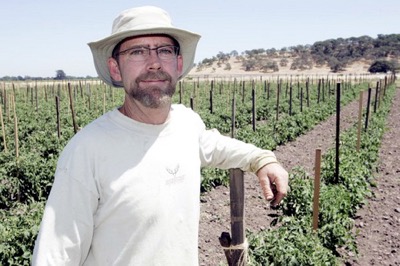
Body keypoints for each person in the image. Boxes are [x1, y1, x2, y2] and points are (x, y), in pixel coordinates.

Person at [32, 6, 289, 265]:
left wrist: (263, 160)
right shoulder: (87, 150)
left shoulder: (187, 124)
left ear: (178, 65)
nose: (154, 63)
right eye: (137, 52)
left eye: (164, 51)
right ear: (116, 69)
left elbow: (215, 145)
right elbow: (54, 256)